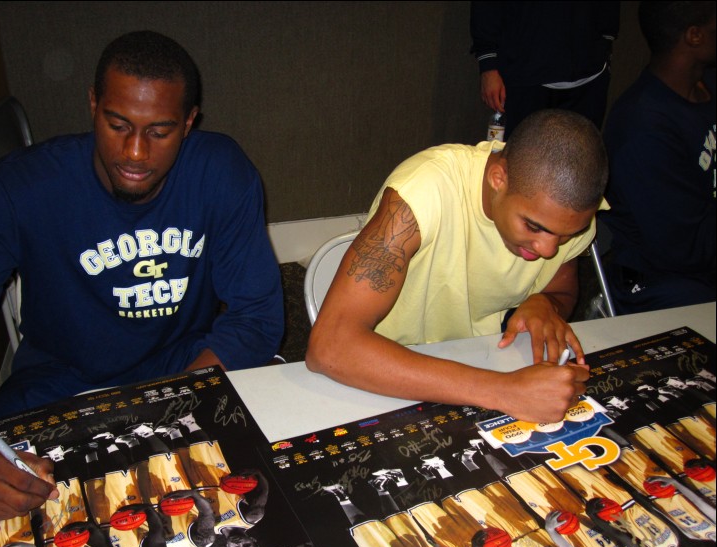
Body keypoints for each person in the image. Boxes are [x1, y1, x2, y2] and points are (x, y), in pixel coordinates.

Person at [0, 31, 284, 521]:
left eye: (160, 131)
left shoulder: (222, 173)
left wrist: (167, 408)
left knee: (257, 510)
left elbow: (256, 318)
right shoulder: (17, 190)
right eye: (117, 124)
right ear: (92, 104)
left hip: (182, 371)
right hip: (54, 385)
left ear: (190, 122)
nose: (134, 153)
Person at [306, 109, 607, 424]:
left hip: (474, 365)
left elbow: (562, 288)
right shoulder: (423, 191)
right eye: (534, 227)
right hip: (378, 376)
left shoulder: (565, 212)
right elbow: (329, 347)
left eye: (566, 235)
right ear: (498, 179)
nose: (549, 249)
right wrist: (503, 390)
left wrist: (547, 303)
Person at [600, 2, 716, 315]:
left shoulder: (707, 85)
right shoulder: (644, 126)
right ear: (694, 36)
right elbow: (680, 250)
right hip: (665, 279)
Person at [470, 2, 620, 139]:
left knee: (581, 161)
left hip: (589, 75)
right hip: (526, 74)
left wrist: (606, 42)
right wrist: (488, 62)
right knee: (519, 161)